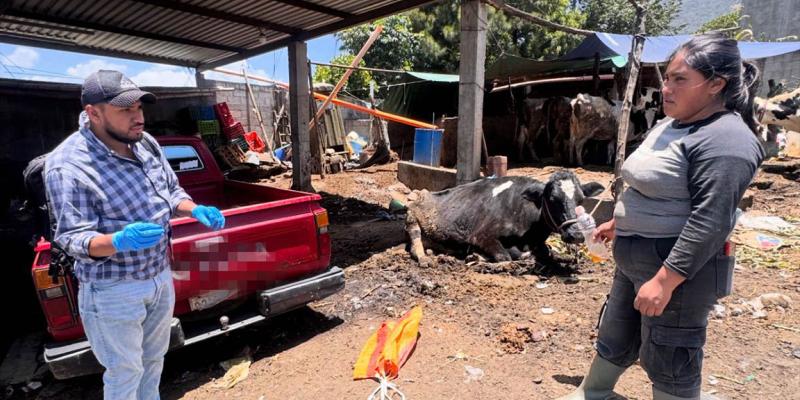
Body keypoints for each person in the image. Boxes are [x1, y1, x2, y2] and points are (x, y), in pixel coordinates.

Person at [556, 34, 765, 400]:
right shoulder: (672, 124)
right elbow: (652, 185)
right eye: (667, 77)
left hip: (679, 270)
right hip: (637, 260)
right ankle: (594, 393)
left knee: (670, 356)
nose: (665, 88)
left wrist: (666, 280)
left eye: (679, 79)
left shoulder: (727, 140)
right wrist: (620, 222)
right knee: (616, 332)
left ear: (717, 84)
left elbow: (711, 221)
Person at [44, 70, 226, 400]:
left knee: (154, 359)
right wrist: (118, 240)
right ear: (93, 113)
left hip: (158, 276)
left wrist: (192, 208)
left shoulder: (145, 143)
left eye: (139, 108)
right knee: (125, 371)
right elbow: (72, 238)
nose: (137, 118)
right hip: (113, 288)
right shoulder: (68, 165)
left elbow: (171, 191)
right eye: (125, 110)